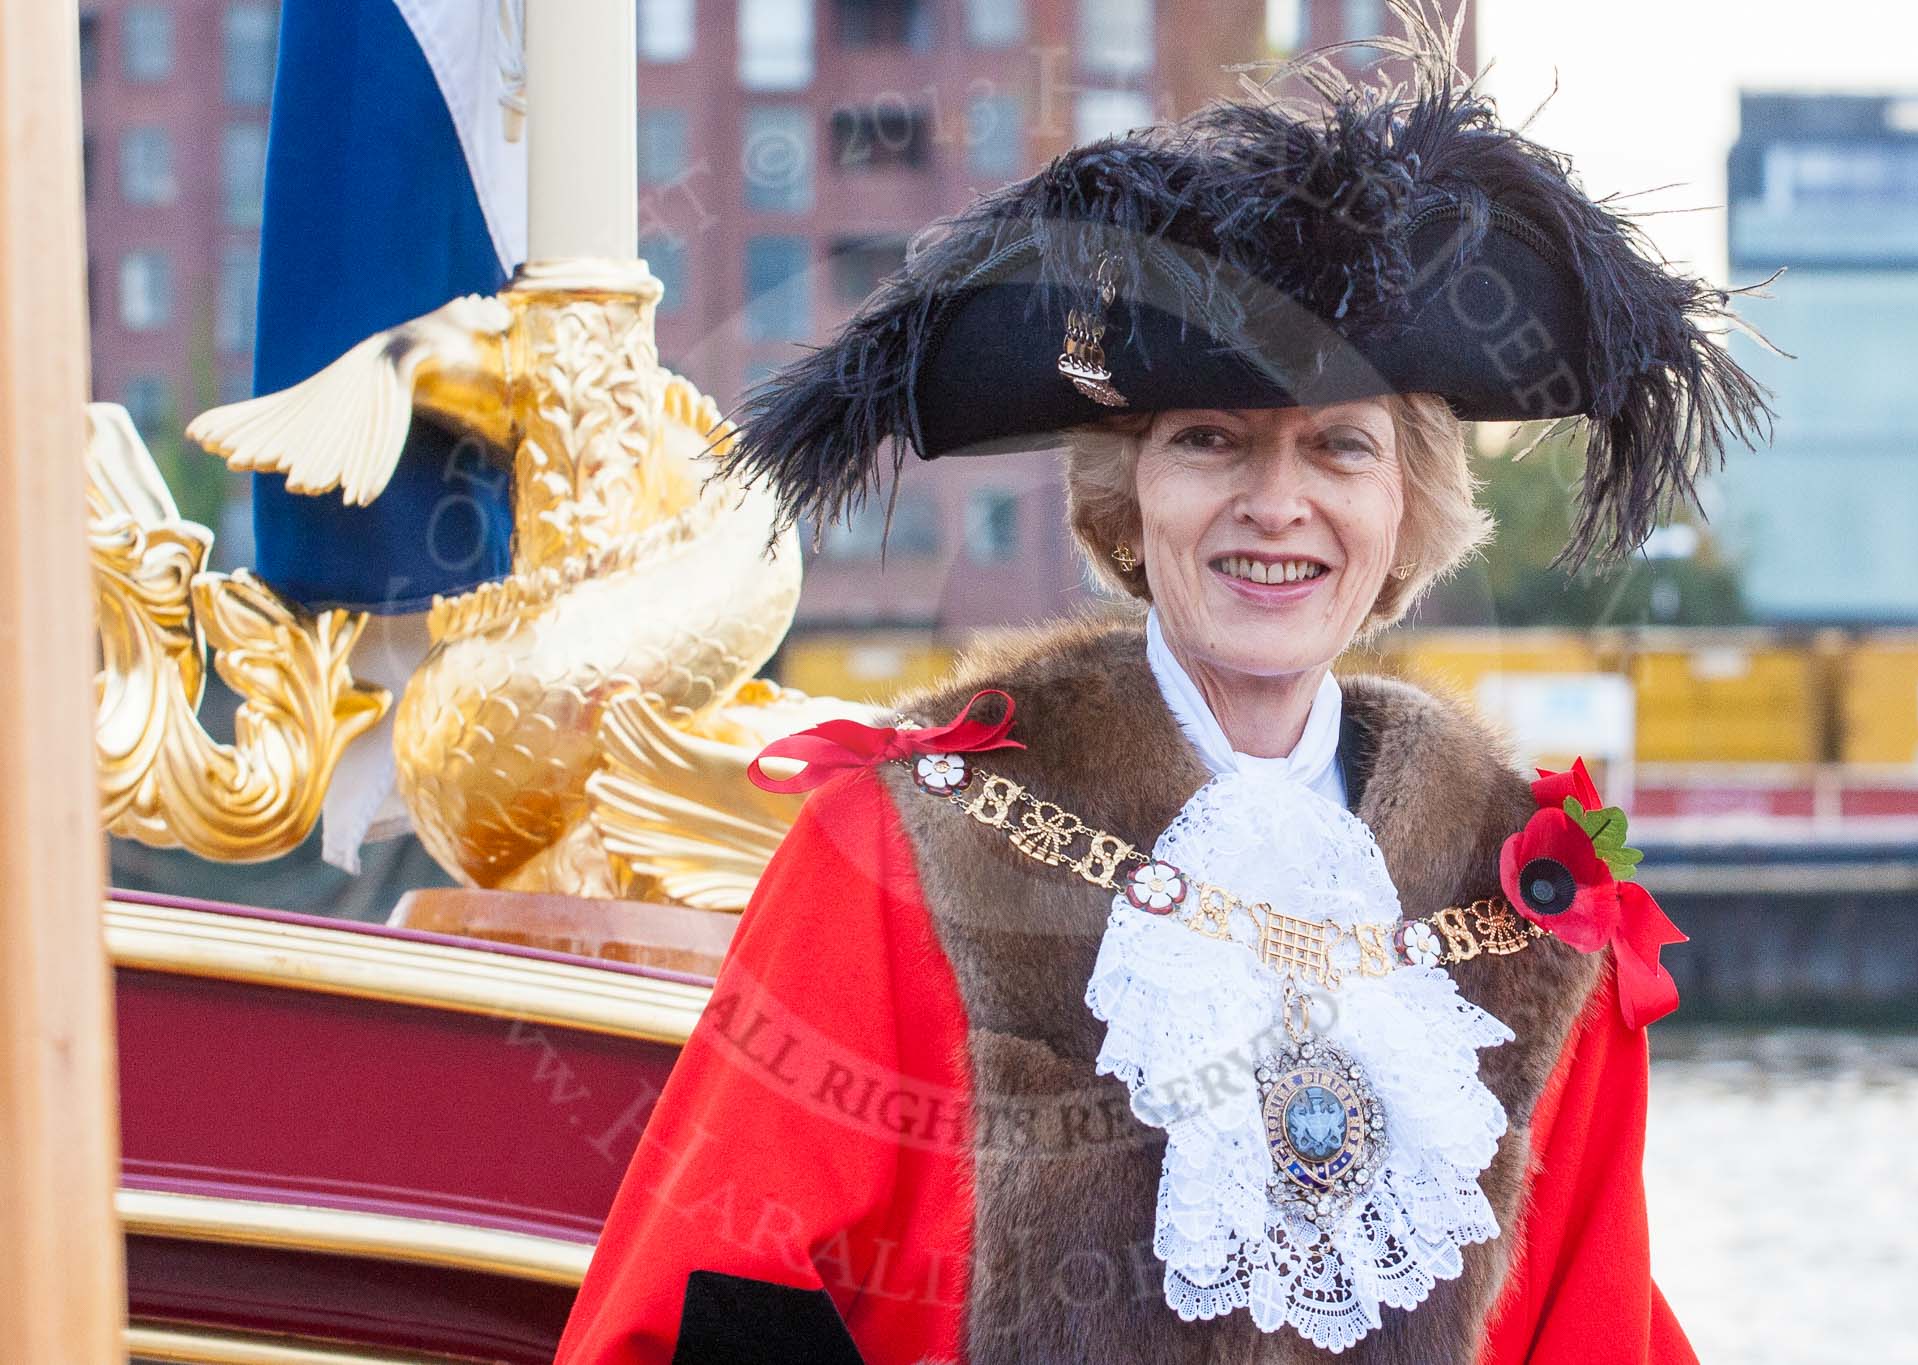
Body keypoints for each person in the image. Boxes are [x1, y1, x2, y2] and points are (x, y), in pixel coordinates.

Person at [556, 20, 1763, 1365]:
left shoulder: (1528, 902)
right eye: (1210, 439)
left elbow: (1598, 1329)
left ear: (1408, 501)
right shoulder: (902, 853)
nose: (1278, 503)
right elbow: (707, 1310)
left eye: (1340, 446)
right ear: (1128, 494)